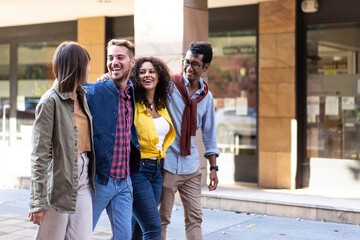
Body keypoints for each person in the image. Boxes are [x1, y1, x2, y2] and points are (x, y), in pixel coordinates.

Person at [29, 41, 95, 240]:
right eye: (87, 64)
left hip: (83, 178)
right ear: (76, 66)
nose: (90, 69)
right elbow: (38, 155)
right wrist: (37, 202)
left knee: (81, 237)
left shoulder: (82, 96)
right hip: (59, 179)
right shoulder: (50, 102)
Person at [159, 41, 220, 240]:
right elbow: (143, 82)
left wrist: (213, 168)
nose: (188, 68)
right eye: (186, 62)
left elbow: (210, 134)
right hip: (167, 164)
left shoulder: (206, 97)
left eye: (195, 64)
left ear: (205, 67)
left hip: (191, 167)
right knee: (161, 219)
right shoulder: (169, 85)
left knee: (195, 219)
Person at [83, 39, 140, 240]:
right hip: (100, 182)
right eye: (110, 57)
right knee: (77, 234)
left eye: (120, 57)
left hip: (124, 182)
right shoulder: (94, 91)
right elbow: (62, 102)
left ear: (132, 62)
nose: (114, 61)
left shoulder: (132, 91)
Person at [130, 57, 175, 240]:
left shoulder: (161, 103)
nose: (147, 75)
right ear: (136, 77)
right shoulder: (131, 101)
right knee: (153, 228)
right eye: (142, 72)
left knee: (139, 230)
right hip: (137, 170)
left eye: (151, 71)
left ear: (159, 76)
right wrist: (106, 78)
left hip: (157, 171)